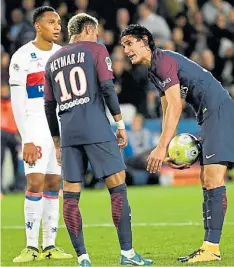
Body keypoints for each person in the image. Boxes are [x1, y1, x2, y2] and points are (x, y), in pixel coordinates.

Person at [121, 24, 234, 263]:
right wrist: (173, 148)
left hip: (218, 111)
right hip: (209, 114)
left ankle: (212, 248)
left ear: (145, 40)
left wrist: (161, 147)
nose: (125, 50)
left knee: (214, 179)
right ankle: (209, 247)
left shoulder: (162, 60)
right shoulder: (155, 69)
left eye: (130, 43)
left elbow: (176, 105)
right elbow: (168, 111)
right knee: (206, 178)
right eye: (124, 45)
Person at [44, 13, 153, 267]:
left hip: (69, 133)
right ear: (88, 29)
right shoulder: (95, 49)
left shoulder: (52, 61)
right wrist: (118, 123)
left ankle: (82, 257)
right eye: (96, 31)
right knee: (117, 187)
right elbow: (106, 88)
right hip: (95, 127)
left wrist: (57, 141)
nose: (99, 35)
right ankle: (127, 254)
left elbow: (49, 107)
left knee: (70, 196)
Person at [9, 6, 72, 262]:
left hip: (58, 129)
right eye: (50, 22)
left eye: (58, 23)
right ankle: (30, 246)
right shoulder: (22, 56)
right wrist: (26, 138)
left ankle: (50, 245)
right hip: (34, 126)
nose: (57, 27)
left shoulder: (62, 55)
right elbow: (17, 100)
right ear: (38, 26)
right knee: (35, 182)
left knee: (54, 184)